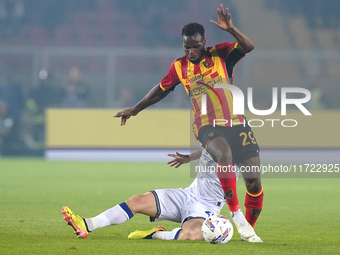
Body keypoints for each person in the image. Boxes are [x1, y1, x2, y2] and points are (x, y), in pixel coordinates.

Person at [114, 4, 263, 236]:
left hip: (236, 123)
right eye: (186, 47)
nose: (190, 51)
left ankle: (248, 232)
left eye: (194, 46)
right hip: (206, 125)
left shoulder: (221, 54)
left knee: (254, 183)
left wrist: (231, 29)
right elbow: (161, 90)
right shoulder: (179, 67)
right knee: (224, 155)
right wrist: (135, 109)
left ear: (204, 42)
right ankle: (235, 213)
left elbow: (249, 46)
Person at [62, 148, 261, 242]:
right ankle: (88, 224)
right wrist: (189, 157)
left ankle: (155, 234)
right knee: (136, 201)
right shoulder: (216, 135)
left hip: (206, 208)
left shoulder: (243, 152)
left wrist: (243, 220)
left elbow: (251, 185)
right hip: (187, 194)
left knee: (189, 236)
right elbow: (210, 148)